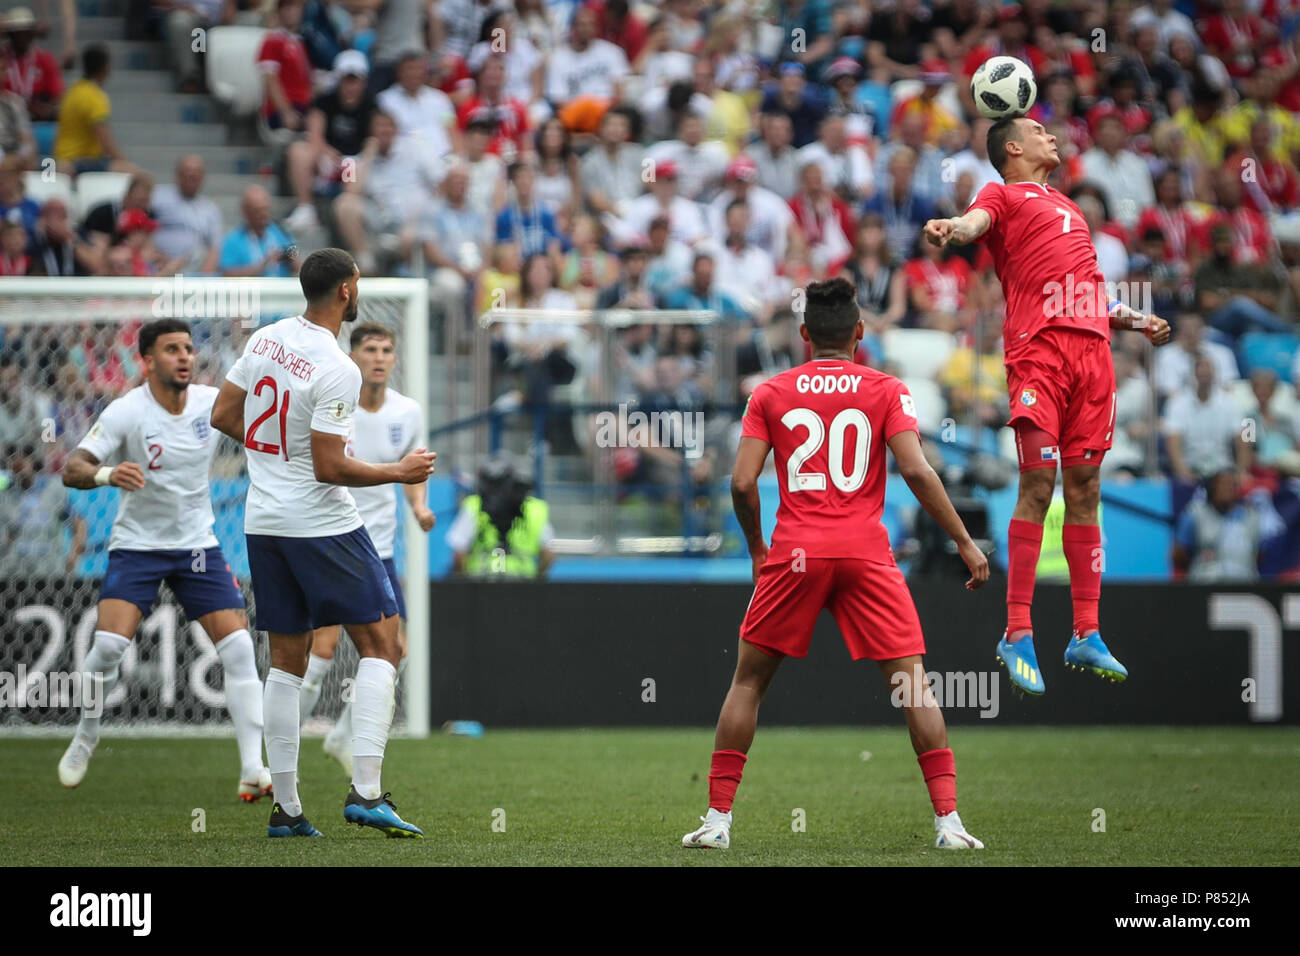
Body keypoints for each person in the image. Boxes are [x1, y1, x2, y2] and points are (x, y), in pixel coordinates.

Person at [681, 277, 990, 853]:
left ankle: (717, 821)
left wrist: (756, 549)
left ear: (803, 335)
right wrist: (966, 542)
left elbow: (743, 481)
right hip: (866, 552)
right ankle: (949, 823)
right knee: (914, 688)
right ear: (859, 333)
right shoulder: (886, 389)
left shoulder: (770, 393)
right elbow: (919, 472)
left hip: (795, 552)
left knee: (749, 681)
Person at [923, 114, 1171, 697]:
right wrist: (953, 229)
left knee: (1085, 487)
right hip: (1040, 354)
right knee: (1039, 484)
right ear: (1012, 147)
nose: (1052, 137)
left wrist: (1136, 319)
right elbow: (976, 221)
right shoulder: (1003, 193)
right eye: (1038, 131)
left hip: (1094, 358)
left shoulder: (1071, 209)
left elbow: (1087, 290)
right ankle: (1017, 632)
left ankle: (1086, 631)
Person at [210, 248, 436, 838]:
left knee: (286, 661)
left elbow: (223, 413)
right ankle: (365, 792)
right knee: (384, 643)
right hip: (321, 524)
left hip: (264, 520)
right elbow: (331, 468)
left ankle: (286, 809)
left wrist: (277, 453)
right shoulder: (338, 368)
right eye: (358, 283)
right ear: (346, 289)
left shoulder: (267, 338)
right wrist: (399, 471)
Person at [56, 319, 269, 801]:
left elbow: (264, 424)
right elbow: (73, 468)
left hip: (196, 546)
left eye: (189, 349)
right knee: (107, 648)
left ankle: (253, 768)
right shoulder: (126, 412)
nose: (185, 357)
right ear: (147, 361)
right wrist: (110, 473)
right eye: (172, 349)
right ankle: (86, 736)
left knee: (238, 649)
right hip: (138, 547)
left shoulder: (211, 403)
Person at [299, 324, 436, 772]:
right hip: (330, 540)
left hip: (378, 548)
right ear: (353, 356)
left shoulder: (408, 411)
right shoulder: (336, 405)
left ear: (395, 359)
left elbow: (412, 473)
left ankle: (341, 737)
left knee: (395, 648)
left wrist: (418, 509)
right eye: (370, 349)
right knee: (322, 647)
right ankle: (280, 753)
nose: (379, 357)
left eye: (387, 350)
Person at [447, 451, 554, 578]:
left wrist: (464, 584)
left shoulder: (474, 506)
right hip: (523, 583)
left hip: (482, 583)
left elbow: (458, 555)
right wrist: (537, 578)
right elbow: (548, 555)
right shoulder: (535, 508)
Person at [53, 43, 132, 175]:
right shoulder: (95, 97)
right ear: (106, 67)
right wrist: (125, 162)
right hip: (78, 163)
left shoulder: (71, 91)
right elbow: (105, 138)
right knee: (131, 173)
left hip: (61, 159)